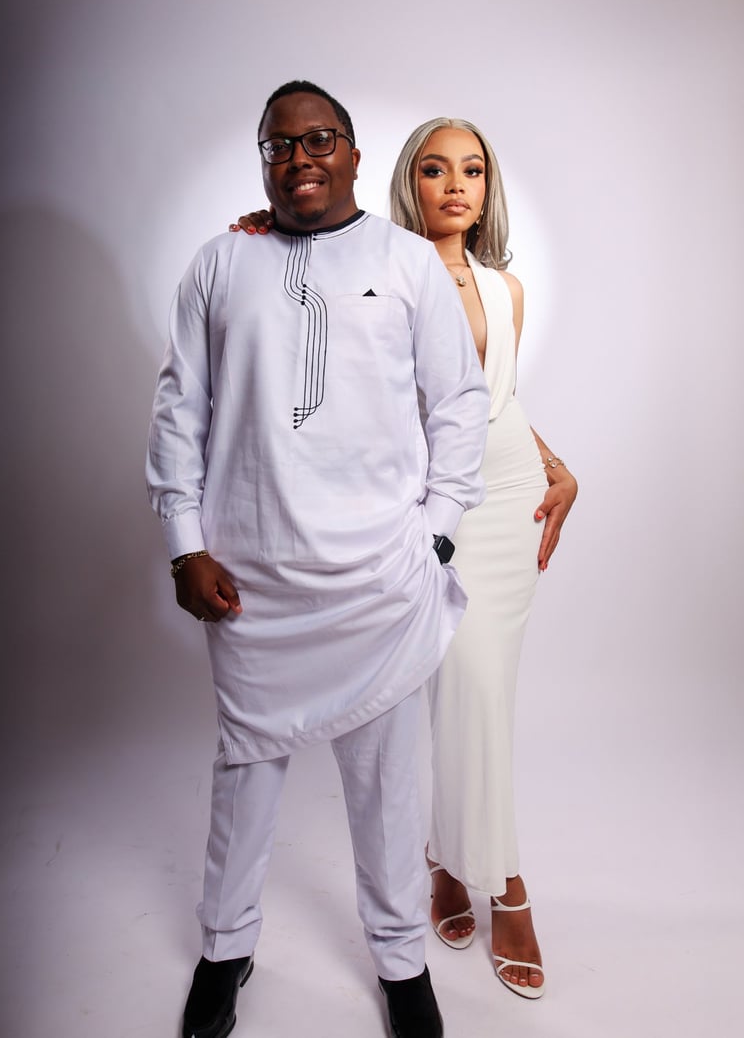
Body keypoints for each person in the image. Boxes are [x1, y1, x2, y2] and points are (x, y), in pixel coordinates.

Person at [147, 82, 490, 1038]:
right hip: (253, 581)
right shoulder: (222, 262)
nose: (299, 159)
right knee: (246, 772)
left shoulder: (406, 262)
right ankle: (225, 948)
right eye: (279, 145)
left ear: (352, 153)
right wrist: (185, 543)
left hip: (380, 577)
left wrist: (438, 529)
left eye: (319, 140)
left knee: (387, 786)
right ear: (264, 159)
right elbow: (179, 410)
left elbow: (459, 401)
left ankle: (401, 962)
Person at [232, 117, 578, 1000]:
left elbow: (493, 398)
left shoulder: (507, 289)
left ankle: (475, 871)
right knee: (447, 694)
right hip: (421, 507)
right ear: (406, 181)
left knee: (481, 695)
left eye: (472, 170)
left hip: (509, 502)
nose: (455, 184)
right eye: (434, 168)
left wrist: (554, 464)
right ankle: (477, 873)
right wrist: (267, 229)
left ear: (488, 189)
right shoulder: (379, 269)